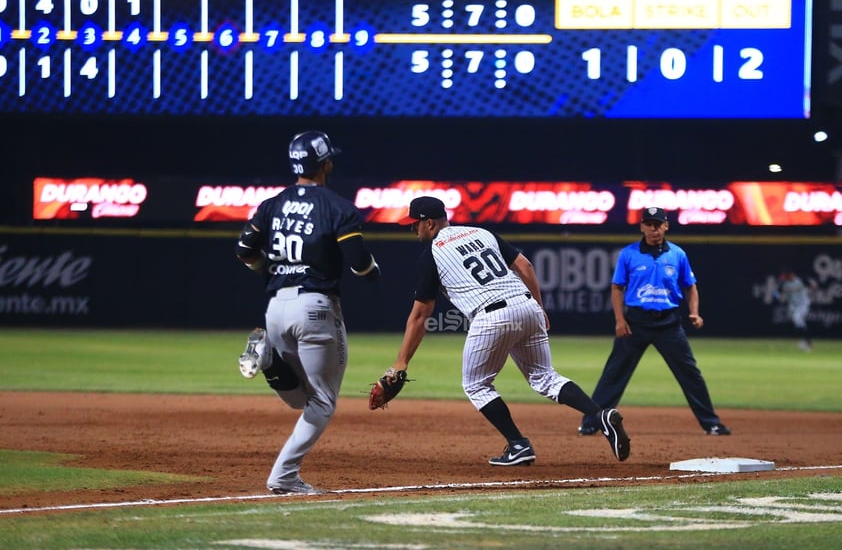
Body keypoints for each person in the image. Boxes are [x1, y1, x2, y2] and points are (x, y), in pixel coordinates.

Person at [387, 196, 630, 466]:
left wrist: (401, 361)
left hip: (491, 315)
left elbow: (421, 315)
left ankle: (518, 444)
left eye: (415, 224)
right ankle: (600, 416)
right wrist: (539, 307)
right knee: (545, 377)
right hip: (525, 304)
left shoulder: (432, 254)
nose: (413, 229)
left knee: (476, 385)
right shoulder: (482, 232)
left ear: (429, 223)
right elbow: (525, 266)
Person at [234, 130, 381, 495]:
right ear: (326, 163)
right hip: (315, 307)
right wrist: (373, 272)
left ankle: (268, 359)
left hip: (275, 310)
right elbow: (360, 263)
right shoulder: (337, 207)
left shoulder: (272, 204)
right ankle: (283, 477)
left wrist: (266, 266)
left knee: (303, 399)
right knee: (323, 402)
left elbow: (244, 251)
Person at [578, 207, 730, 436]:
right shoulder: (629, 254)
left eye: (658, 224)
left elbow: (691, 286)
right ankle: (591, 422)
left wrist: (694, 313)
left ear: (666, 226)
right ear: (642, 226)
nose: (653, 229)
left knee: (690, 374)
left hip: (668, 324)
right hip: (635, 322)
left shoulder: (677, 254)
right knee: (614, 373)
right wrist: (619, 320)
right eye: (649, 224)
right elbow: (617, 288)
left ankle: (711, 423)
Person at [776, 267, 814, 351]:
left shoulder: (800, 280)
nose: (784, 278)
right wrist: (778, 297)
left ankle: (807, 342)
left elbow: (812, 285)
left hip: (803, 304)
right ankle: (805, 341)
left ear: (791, 275)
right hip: (793, 306)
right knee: (797, 322)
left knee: (798, 319)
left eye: (786, 276)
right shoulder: (783, 283)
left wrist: (811, 290)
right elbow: (776, 292)